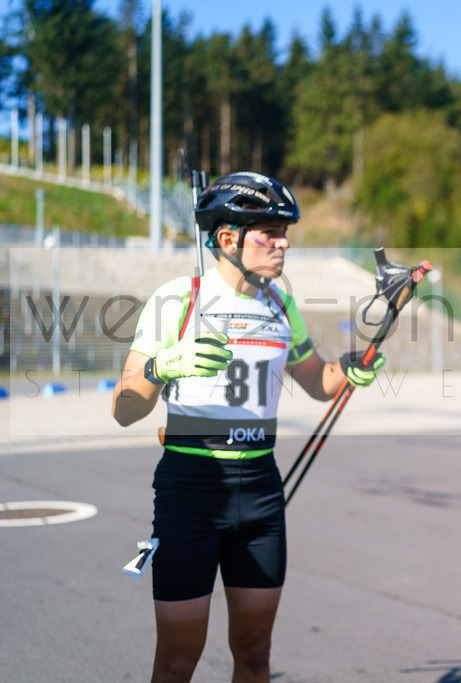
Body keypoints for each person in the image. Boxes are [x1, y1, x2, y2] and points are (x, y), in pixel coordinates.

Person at [112, 171, 384, 682]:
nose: (283, 243)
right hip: (191, 490)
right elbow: (125, 407)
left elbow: (318, 381)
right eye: (270, 232)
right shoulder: (177, 300)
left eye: (286, 233)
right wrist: (162, 366)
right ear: (227, 237)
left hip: (261, 493)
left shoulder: (281, 305)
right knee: (177, 661)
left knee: (255, 656)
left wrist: (351, 367)